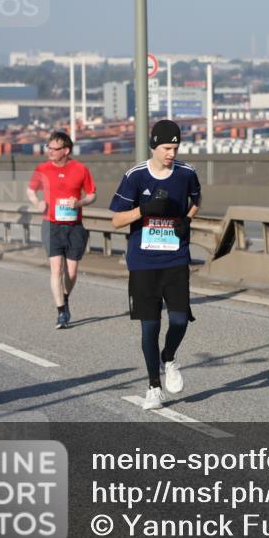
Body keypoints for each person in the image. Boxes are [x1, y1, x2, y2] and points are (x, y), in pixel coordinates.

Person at [110, 120, 201, 410]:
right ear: (154, 146)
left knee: (179, 320)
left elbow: (196, 201)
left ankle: (170, 357)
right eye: (166, 148)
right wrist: (144, 209)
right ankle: (153, 386)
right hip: (143, 262)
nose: (171, 153)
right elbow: (116, 220)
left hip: (175, 258)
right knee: (149, 327)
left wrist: (187, 221)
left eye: (175, 148)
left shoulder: (186, 173)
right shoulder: (136, 176)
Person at [26, 131, 97, 329]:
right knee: (56, 269)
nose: (49, 151)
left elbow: (92, 195)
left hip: (74, 225)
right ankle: (61, 312)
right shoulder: (42, 169)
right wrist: (37, 202)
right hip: (51, 224)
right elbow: (30, 190)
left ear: (65, 150)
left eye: (54, 148)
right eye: (48, 147)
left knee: (72, 272)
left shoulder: (80, 169)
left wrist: (80, 202)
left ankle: (65, 298)